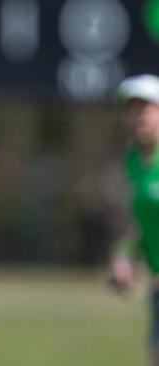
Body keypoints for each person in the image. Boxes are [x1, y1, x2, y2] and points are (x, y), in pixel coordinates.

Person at [110, 74, 159, 366]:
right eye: (132, 108)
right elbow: (139, 224)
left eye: (146, 107)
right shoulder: (134, 160)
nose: (138, 115)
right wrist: (124, 256)